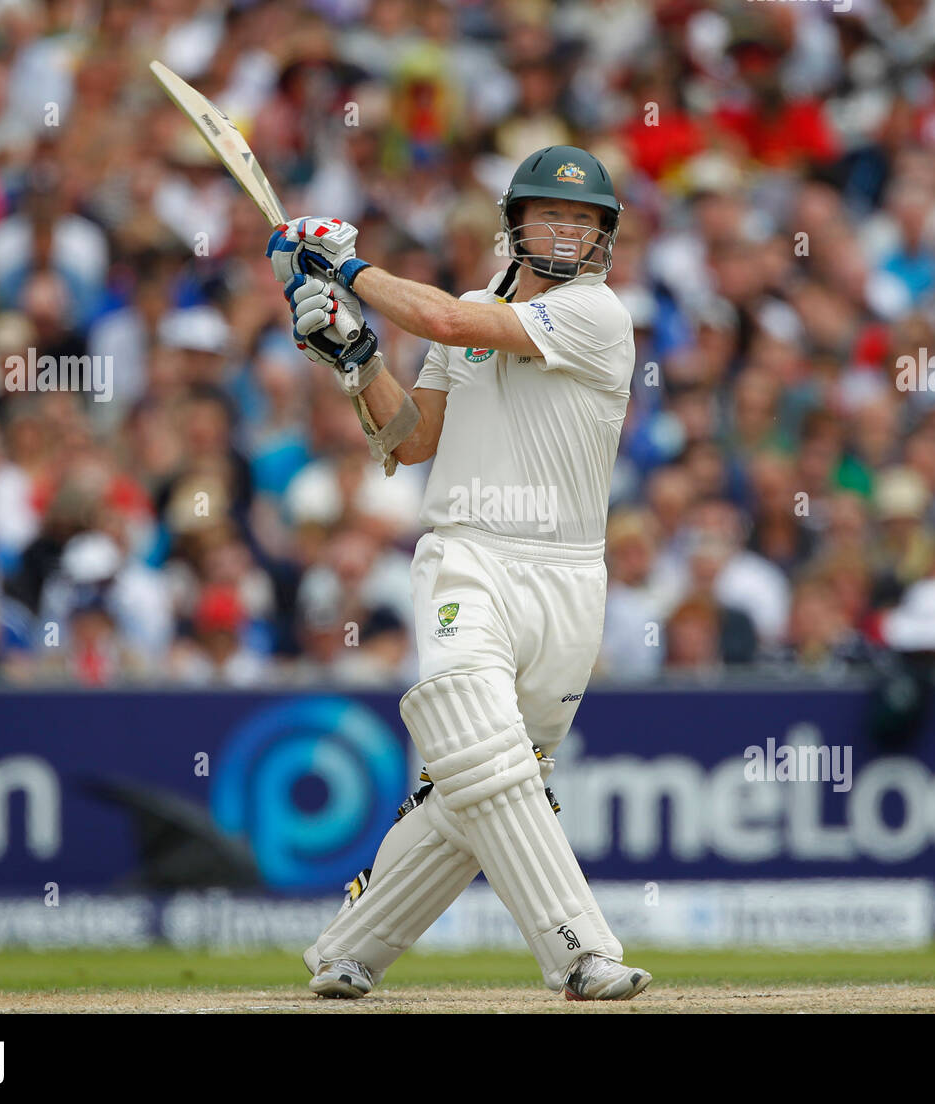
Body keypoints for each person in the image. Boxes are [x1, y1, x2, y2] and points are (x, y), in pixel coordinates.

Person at [266, 145, 650, 1001]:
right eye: (552, 213)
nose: (569, 231)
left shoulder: (599, 315)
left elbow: (443, 322)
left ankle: (347, 949)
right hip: (466, 554)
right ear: (515, 224)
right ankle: (582, 951)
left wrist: (348, 267)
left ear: (605, 237)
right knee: (478, 745)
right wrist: (354, 356)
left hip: (570, 578)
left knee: (480, 786)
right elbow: (410, 441)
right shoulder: (476, 307)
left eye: (585, 220)